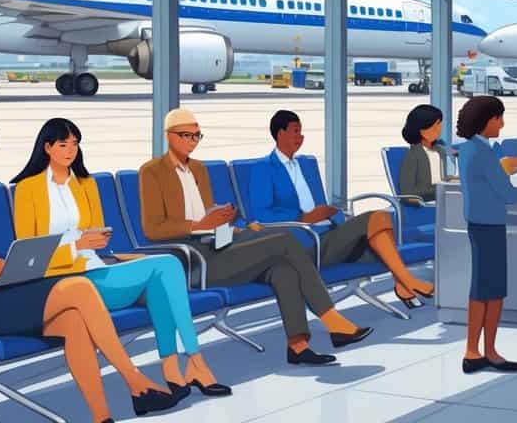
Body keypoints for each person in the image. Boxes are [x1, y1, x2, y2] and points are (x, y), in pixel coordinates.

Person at [0, 120, 180, 423]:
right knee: (78, 288)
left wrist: (5, 266)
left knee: (74, 322)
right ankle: (135, 381)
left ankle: (101, 417)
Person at [11, 118, 229, 398]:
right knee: (168, 265)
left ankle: (174, 370)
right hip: (65, 283)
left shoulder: (86, 184)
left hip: (96, 268)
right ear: (47, 147)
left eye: (75, 144)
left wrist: (99, 245)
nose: (70, 150)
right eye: (63, 144)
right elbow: (30, 254)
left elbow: (98, 235)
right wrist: (76, 245)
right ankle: (195, 364)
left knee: (159, 282)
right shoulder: (28, 189)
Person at [139, 109, 371, 366]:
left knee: (283, 270)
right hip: (195, 259)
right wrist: (198, 225)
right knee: (283, 240)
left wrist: (230, 220)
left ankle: (298, 345)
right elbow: (153, 229)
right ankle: (332, 320)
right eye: (186, 135)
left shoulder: (198, 169)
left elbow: (207, 215)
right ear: (169, 136)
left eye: (197, 135)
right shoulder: (152, 172)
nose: (193, 141)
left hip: (220, 243)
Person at [253, 110, 435, 310]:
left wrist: (334, 215)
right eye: (295, 132)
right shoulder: (263, 168)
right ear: (280, 134)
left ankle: (404, 285)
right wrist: (303, 217)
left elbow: (325, 207)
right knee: (379, 218)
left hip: (331, 234)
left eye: (301, 132)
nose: (300, 137)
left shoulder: (303, 165)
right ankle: (407, 282)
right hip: (306, 242)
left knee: (380, 240)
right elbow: (261, 214)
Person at [456, 96, 517, 374]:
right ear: (486, 120)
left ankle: (477, 350)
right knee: (492, 290)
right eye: (499, 118)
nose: (502, 124)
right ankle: (485, 351)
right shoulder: (483, 153)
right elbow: (506, 194)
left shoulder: (469, 149)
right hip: (489, 224)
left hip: (478, 222)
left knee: (483, 287)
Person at [398, 104, 446, 202]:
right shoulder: (413, 155)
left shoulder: (439, 151)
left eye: (439, 125)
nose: (438, 130)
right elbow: (407, 192)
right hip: (426, 203)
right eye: (434, 127)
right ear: (420, 130)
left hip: (441, 198)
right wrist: (439, 189)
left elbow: (439, 179)